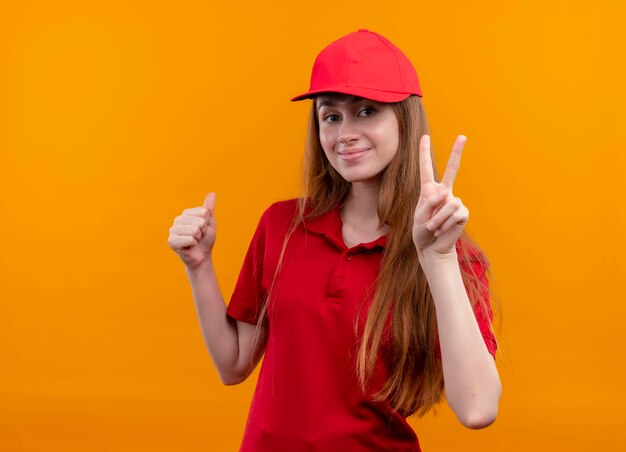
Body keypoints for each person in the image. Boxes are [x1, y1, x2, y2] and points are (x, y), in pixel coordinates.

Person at [168, 29, 502, 451]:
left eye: (366, 111)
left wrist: (437, 258)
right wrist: (198, 265)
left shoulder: (451, 254)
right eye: (331, 116)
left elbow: (478, 409)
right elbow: (233, 364)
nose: (344, 132)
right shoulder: (283, 226)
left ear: (404, 118)